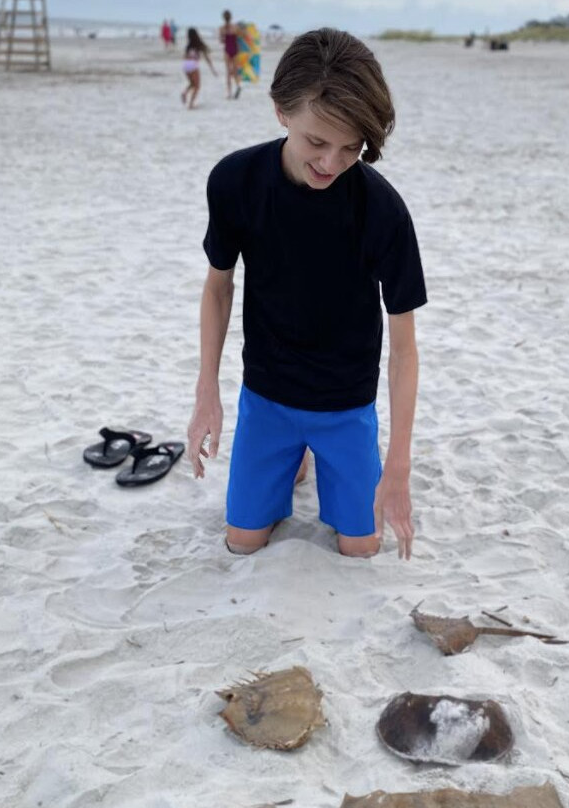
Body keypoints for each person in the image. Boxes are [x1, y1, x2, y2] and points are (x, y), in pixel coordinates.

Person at [188, 28, 426, 560]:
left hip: (346, 403)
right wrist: (208, 390)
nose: (331, 163)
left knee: (361, 548)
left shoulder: (383, 209)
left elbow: (405, 344)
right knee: (243, 543)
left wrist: (398, 464)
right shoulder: (235, 181)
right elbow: (218, 287)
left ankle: (313, 456)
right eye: (316, 142)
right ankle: (295, 457)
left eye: (351, 148)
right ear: (281, 112)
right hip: (267, 394)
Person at [180, 28, 217, 110]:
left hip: (185, 65)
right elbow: (207, 58)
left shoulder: (188, 46)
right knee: (197, 86)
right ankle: (191, 104)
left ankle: (185, 93)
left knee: (192, 83)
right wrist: (212, 69)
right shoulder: (199, 44)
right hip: (193, 65)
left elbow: (184, 56)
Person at [219, 10, 242, 100]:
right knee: (235, 71)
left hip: (227, 51)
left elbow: (221, 41)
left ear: (223, 18)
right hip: (235, 50)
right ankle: (238, 85)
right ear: (231, 17)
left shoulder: (222, 28)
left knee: (228, 72)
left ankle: (229, 93)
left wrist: (225, 36)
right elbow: (240, 38)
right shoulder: (235, 27)